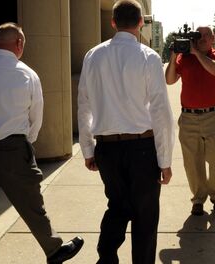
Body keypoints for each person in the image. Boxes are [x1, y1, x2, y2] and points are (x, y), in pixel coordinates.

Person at [0, 22, 82, 264]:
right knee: (31, 202)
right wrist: (26, 143)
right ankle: (54, 250)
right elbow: (36, 116)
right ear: (19, 43)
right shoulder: (26, 74)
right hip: (13, 148)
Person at [76, 1, 174, 263]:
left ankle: (106, 257)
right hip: (142, 148)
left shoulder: (93, 55)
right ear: (141, 22)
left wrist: (87, 149)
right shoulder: (148, 57)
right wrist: (165, 161)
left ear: (113, 22)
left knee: (118, 206)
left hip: (107, 147)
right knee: (145, 214)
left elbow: (83, 104)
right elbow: (161, 111)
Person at [165, 25, 215, 216]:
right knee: (192, 161)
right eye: (197, 35)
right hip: (189, 117)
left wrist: (197, 53)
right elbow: (169, 80)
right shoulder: (183, 58)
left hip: (214, 116)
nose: (200, 38)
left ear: (212, 39)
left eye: (205, 36)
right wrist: (173, 56)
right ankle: (198, 198)